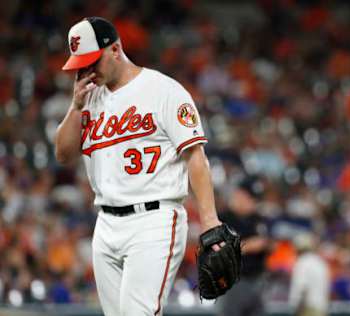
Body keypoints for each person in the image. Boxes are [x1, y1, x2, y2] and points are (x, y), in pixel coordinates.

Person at [55, 17, 224, 316]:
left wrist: (209, 219)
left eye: (93, 61)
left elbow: (195, 156)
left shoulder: (164, 91)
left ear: (116, 49)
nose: (88, 70)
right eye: (81, 64)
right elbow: (63, 155)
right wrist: (75, 106)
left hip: (154, 220)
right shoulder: (88, 99)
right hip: (105, 223)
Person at [218, 176, 270, 316]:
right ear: (239, 194)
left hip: (257, 281)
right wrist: (249, 245)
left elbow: (266, 244)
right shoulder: (223, 219)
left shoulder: (258, 219)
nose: (254, 203)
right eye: (250, 198)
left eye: (255, 199)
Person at [289, 233, 330, 316]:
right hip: (321, 308)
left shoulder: (302, 262)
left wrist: (297, 309)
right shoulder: (320, 262)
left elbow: (302, 288)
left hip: (307, 309)